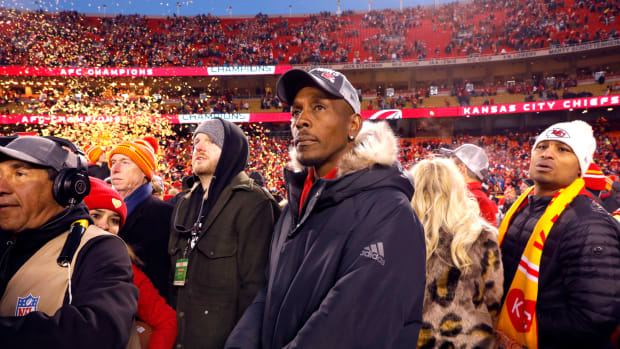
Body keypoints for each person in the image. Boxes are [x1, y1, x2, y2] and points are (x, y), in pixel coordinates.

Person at [226, 68, 426, 348]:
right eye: (296, 111)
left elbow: (348, 331)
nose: (301, 121)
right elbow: (267, 296)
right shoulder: (294, 209)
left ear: (353, 125)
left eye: (318, 107)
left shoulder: (390, 213)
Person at [0, 136, 138, 347]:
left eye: (19, 174)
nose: (2, 187)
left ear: (64, 187)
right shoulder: (7, 243)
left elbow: (99, 333)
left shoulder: (100, 248)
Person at [497, 120, 620, 348]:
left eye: (562, 149)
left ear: (580, 167)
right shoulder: (523, 206)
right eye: (542, 147)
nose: (548, 154)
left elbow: (595, 318)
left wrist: (521, 332)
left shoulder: (591, 224)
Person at [169, 118, 280, 349]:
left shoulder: (254, 203)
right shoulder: (184, 204)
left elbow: (256, 289)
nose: (198, 147)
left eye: (211, 141)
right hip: (181, 340)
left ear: (230, 151)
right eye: (196, 141)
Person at [409, 158, 503, 348]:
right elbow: (494, 296)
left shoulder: (396, 233)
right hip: (470, 338)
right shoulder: (482, 234)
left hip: (411, 338)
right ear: (457, 189)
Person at [84, 176, 178, 349]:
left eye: (114, 220)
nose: (105, 225)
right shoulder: (46, 257)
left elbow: (167, 320)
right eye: (96, 215)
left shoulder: (125, 269)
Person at [108, 137, 173, 300]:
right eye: (113, 162)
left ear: (144, 172)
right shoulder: (104, 212)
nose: (114, 168)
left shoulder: (164, 214)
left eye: (125, 162)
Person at [441, 143, 498, 225]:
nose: (448, 171)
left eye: (451, 167)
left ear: (461, 168)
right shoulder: (474, 196)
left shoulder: (473, 199)